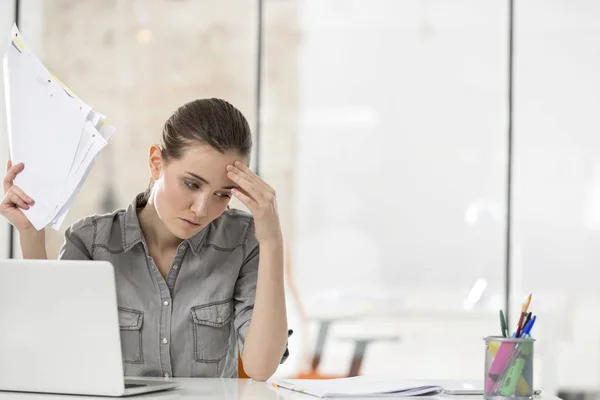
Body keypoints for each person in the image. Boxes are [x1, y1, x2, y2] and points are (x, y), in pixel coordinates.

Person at [1, 98, 289, 380]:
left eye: (222, 194)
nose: (202, 209)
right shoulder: (91, 242)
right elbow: (53, 350)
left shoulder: (242, 241)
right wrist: (30, 231)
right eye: (191, 184)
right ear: (156, 163)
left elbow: (260, 368)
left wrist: (272, 240)